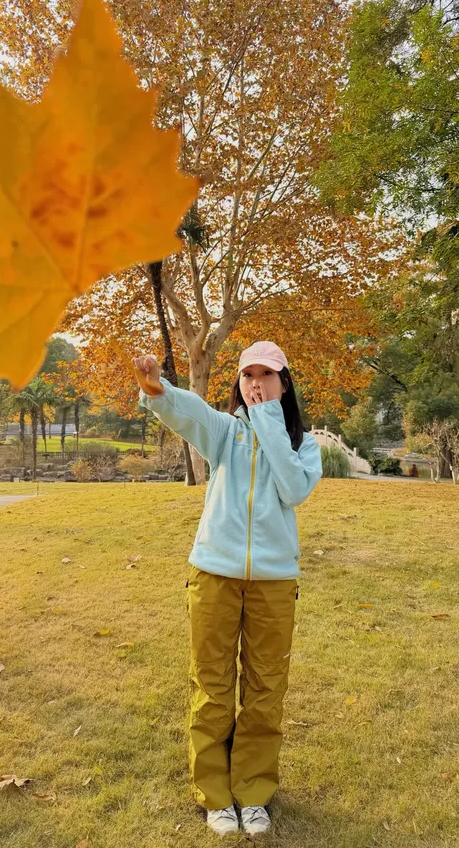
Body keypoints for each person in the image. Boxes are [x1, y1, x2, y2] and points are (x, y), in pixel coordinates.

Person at [132, 340, 322, 837]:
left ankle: (253, 793)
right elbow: (190, 413)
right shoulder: (225, 433)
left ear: (284, 383)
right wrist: (159, 389)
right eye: (247, 375)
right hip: (214, 574)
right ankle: (216, 795)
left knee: (265, 690)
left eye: (267, 374)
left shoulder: (306, 445)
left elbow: (292, 489)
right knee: (212, 686)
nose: (255, 382)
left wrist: (271, 425)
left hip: (275, 582)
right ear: (238, 384)